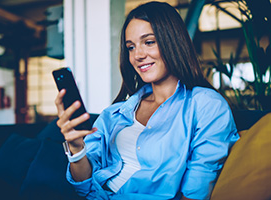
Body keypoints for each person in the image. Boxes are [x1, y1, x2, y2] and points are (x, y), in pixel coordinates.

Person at [55, 1, 239, 199]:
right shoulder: (114, 114)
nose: (138, 55)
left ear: (173, 41)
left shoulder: (206, 106)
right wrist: (76, 147)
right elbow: (84, 188)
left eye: (149, 42)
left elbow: (197, 189)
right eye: (131, 47)